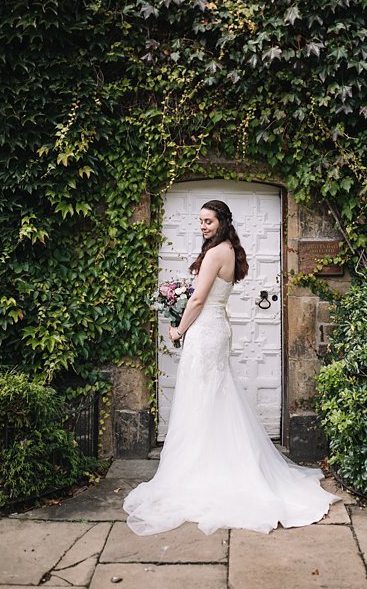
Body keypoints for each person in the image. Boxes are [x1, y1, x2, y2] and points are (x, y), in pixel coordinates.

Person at [124, 200, 338, 535]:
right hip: (216, 328)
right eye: (200, 221)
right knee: (212, 398)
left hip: (206, 332)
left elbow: (197, 299)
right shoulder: (228, 251)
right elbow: (202, 297)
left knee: (201, 399)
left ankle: (203, 474)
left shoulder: (214, 253)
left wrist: (178, 329)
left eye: (208, 221)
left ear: (222, 221)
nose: (202, 226)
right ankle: (212, 464)